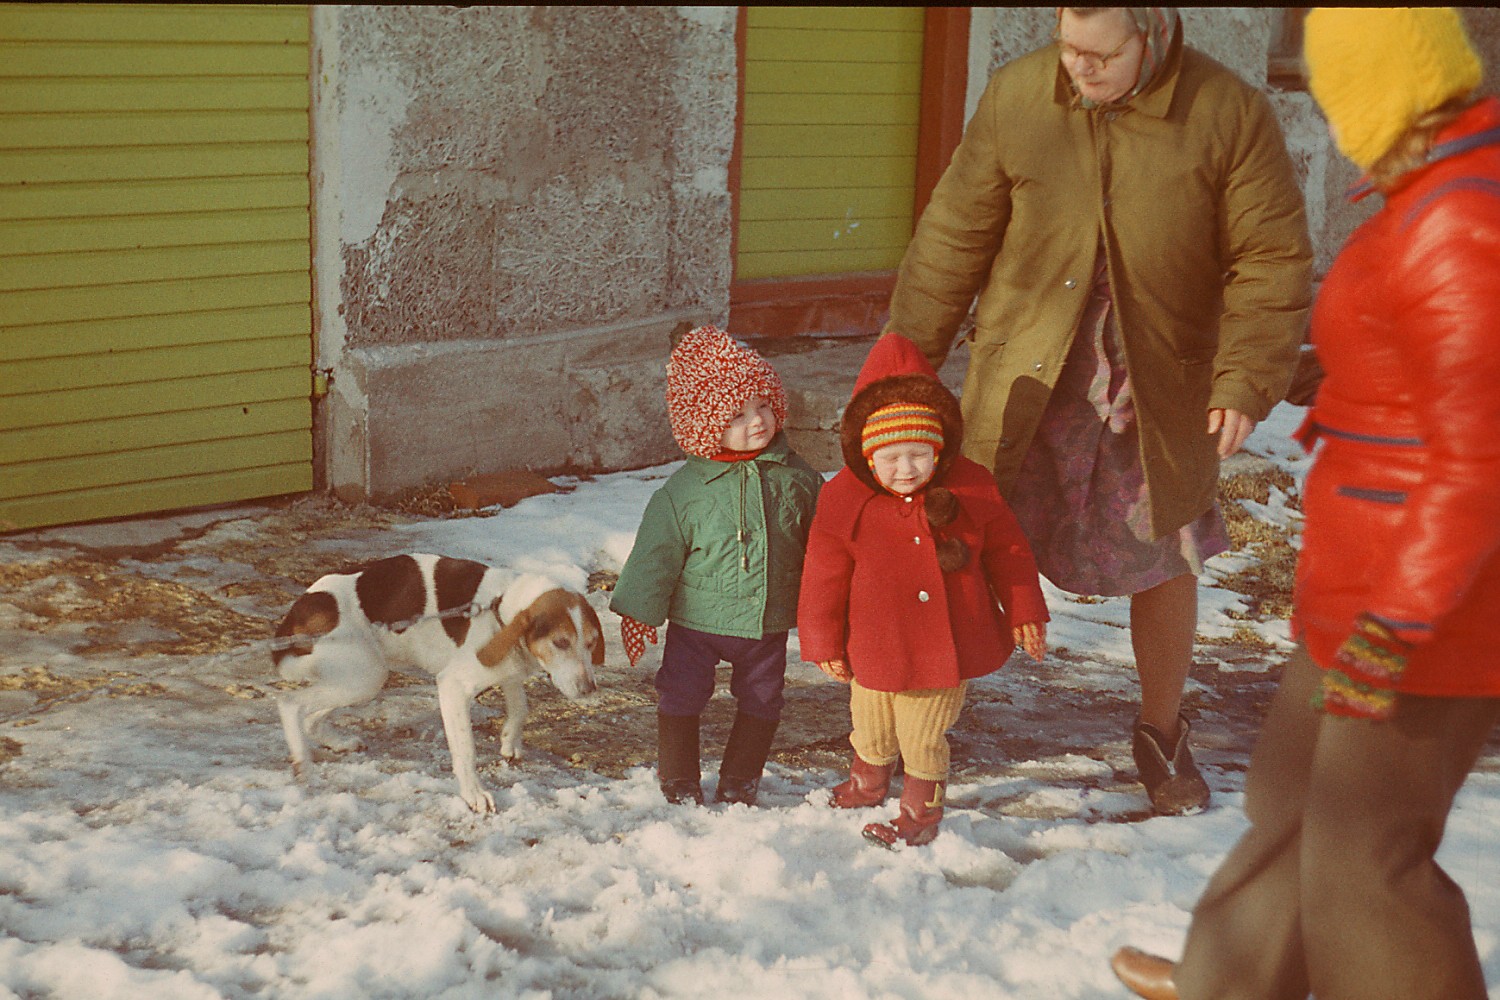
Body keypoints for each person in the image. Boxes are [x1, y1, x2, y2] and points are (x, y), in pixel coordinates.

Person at [1111, 8, 1500, 999]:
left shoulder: (1461, 217)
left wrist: (1397, 624)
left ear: (1377, 91)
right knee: (1287, 798)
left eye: (1334, 91)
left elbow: (1476, 461)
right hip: (1361, 579)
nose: (1327, 116)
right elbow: (1417, 369)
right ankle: (1230, 981)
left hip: (1423, 611)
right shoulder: (1430, 189)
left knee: (1366, 863)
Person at [886, 6, 1313, 815]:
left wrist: (1244, 379)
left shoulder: (1226, 112)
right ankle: (923, 726)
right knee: (963, 535)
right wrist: (903, 358)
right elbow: (954, 232)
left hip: (1154, 387)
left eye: (1099, 54)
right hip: (1028, 376)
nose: (1076, 67)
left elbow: (1272, 258)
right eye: (1067, 46)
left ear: (1152, 32)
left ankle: (1161, 731)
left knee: (1165, 549)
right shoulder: (1019, 97)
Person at [797, 333, 1050, 847]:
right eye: (890, 458)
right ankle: (868, 782)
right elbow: (823, 572)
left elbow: (1010, 551)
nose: (907, 470)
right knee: (869, 724)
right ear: (866, 456)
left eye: (920, 454)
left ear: (940, 448)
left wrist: (1024, 609)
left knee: (921, 734)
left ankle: (920, 808)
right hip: (872, 641)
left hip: (944, 645)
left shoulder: (970, 486)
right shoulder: (843, 497)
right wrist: (822, 642)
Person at [611, 324, 823, 807]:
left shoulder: (798, 478)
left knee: (764, 697)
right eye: (738, 414)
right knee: (681, 692)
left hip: (765, 620)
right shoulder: (684, 492)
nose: (758, 421)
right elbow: (655, 554)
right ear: (706, 426)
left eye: (763, 406)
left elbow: (825, 546)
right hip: (697, 622)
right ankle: (679, 776)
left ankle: (741, 777)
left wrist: (833, 604)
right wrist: (640, 611)